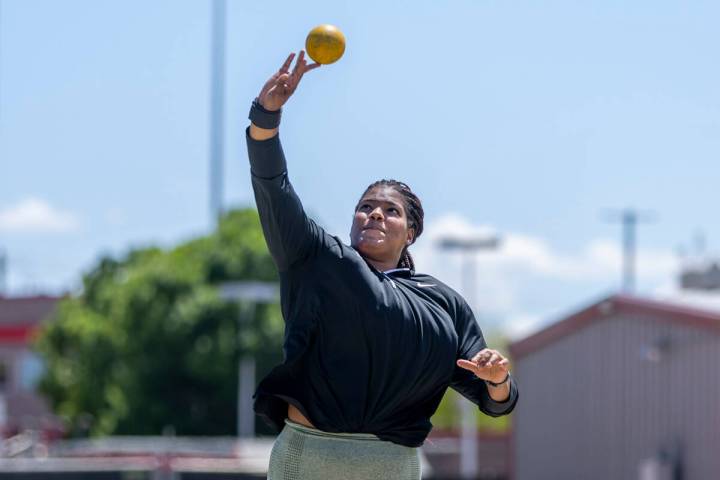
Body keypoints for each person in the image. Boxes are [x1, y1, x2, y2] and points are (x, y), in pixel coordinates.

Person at [246, 51, 519, 480]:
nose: (374, 214)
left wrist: (497, 378)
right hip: (310, 456)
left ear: (411, 233)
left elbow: (495, 401)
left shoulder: (443, 304)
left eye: (390, 211)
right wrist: (266, 116)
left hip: (391, 465)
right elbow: (272, 186)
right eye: (365, 207)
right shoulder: (320, 260)